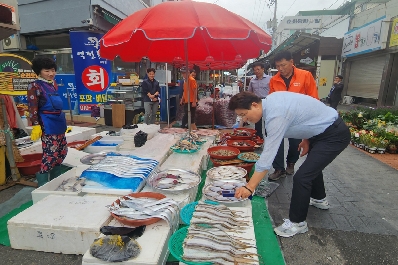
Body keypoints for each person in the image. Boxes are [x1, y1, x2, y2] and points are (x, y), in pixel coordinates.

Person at [229, 91, 350, 237]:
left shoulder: (276, 115)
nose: (244, 119)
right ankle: (319, 199)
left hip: (333, 135)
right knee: (312, 168)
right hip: (320, 132)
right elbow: (303, 113)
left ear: (254, 105)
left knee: (302, 177)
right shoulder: (270, 102)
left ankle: (297, 223)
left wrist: (249, 187)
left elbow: (267, 157)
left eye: (243, 114)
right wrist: (307, 137)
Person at [268, 51, 319, 180]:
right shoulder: (274, 80)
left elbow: (313, 98)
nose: (280, 69)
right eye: (278, 66)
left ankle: (291, 162)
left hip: (298, 118)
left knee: (295, 142)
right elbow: (272, 99)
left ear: (291, 62)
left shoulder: (305, 76)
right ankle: (279, 168)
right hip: (281, 117)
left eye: (283, 65)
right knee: (276, 141)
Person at [27, 57, 68, 187]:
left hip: (58, 122)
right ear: (39, 71)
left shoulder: (52, 84)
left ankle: (56, 180)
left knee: (62, 151)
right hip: (47, 123)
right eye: (47, 71)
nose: (51, 73)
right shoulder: (34, 86)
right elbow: (32, 106)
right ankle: (43, 184)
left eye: (53, 70)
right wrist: (35, 125)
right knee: (51, 154)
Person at [247, 62, 271, 139]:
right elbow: (250, 92)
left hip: (267, 101)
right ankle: (259, 139)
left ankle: (269, 139)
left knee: (267, 121)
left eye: (258, 69)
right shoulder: (252, 81)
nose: (256, 71)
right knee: (257, 122)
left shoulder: (270, 79)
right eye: (255, 70)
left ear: (263, 69)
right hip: (257, 102)